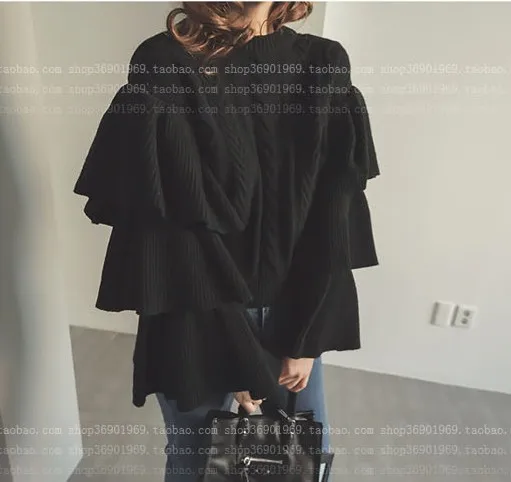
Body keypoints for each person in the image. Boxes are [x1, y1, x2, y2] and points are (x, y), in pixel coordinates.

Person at [73, 2, 380, 480]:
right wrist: (237, 355)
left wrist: (307, 336)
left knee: (298, 464)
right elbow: (167, 230)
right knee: (197, 463)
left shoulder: (323, 63)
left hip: (294, 312)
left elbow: (333, 217)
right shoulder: (165, 62)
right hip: (192, 315)